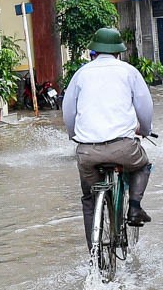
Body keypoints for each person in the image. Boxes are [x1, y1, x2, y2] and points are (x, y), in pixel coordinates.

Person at [60, 28, 155, 246]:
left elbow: (68, 110)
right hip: (124, 149)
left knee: (89, 199)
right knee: (143, 165)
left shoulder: (81, 74)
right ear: (118, 52)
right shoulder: (129, 71)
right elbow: (145, 106)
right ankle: (134, 207)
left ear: (93, 51)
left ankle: (94, 254)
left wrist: (74, 135)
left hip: (87, 152)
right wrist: (145, 130)